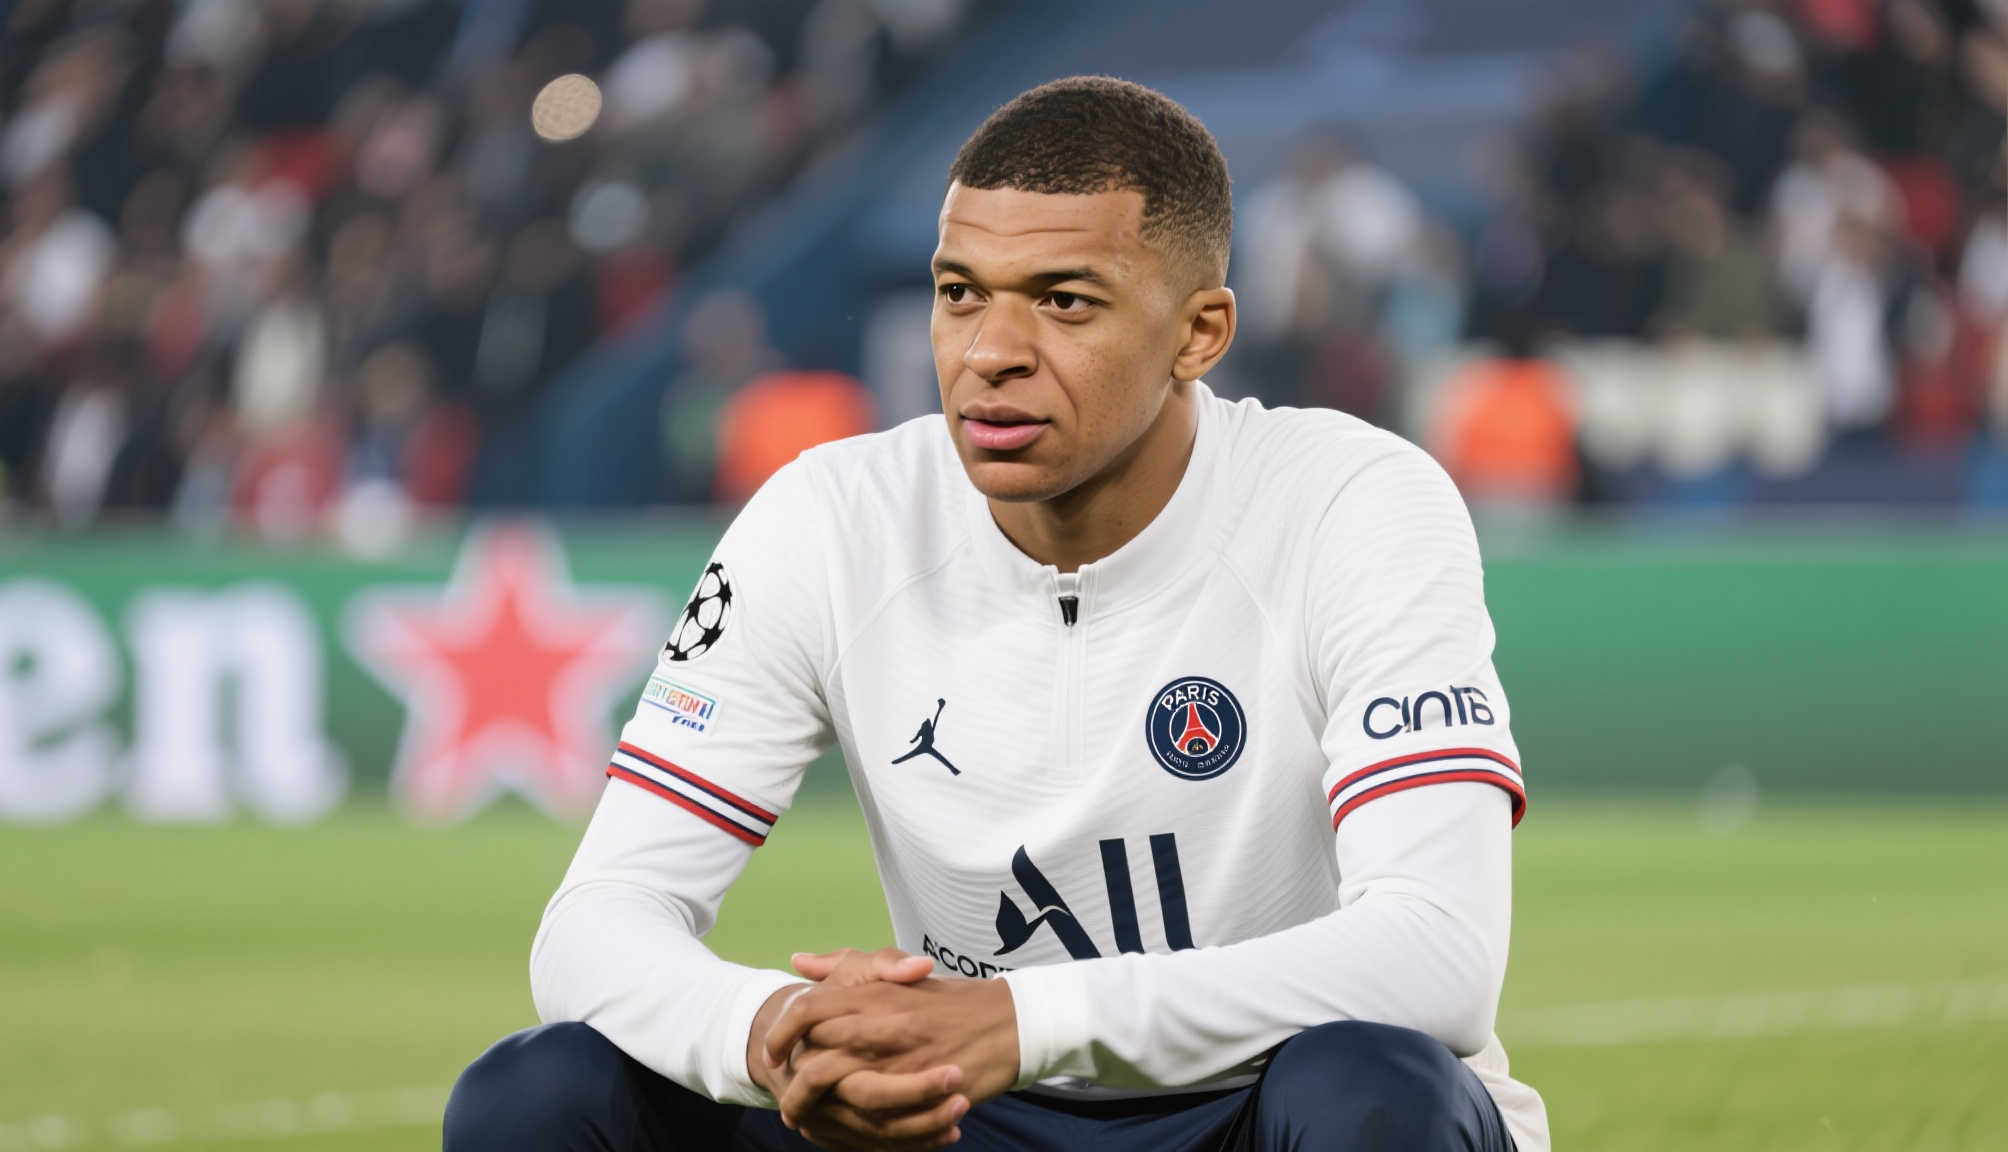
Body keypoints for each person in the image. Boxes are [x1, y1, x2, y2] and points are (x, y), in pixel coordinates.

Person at [444, 76, 1550, 1152]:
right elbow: (598, 919)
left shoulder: (1352, 500)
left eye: (1063, 301)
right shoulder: (831, 518)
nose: (988, 354)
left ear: (1199, 333)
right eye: (959, 293)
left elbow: (1436, 956)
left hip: (1251, 1101)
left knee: (1369, 1093)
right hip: (956, 1109)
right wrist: (778, 1034)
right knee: (537, 1093)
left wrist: (1028, 1021)